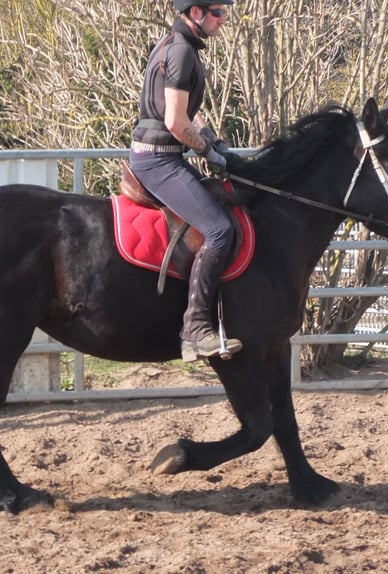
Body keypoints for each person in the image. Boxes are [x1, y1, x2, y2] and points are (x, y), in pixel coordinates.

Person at [129, 0, 242, 363]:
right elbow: (177, 123)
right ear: (196, 13)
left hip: (160, 155)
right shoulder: (181, 53)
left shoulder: (172, 45)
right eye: (219, 13)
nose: (223, 20)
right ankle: (194, 329)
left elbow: (185, 114)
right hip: (158, 160)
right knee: (220, 230)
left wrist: (211, 138)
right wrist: (208, 151)